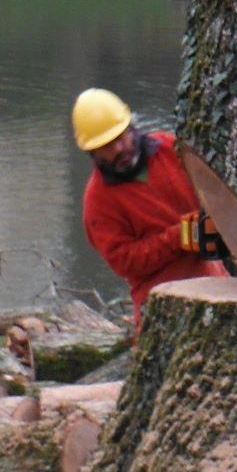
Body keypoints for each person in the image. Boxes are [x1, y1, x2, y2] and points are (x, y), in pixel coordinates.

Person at [73, 88, 228, 330]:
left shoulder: (171, 149)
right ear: (92, 153)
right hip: (160, 305)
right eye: (107, 146)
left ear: (131, 127)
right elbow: (124, 262)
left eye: (120, 138)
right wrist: (178, 237)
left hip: (214, 279)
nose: (118, 149)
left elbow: (214, 192)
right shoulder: (98, 201)